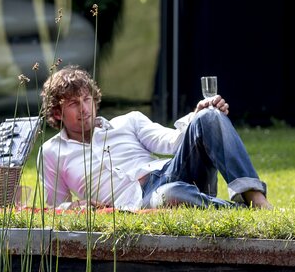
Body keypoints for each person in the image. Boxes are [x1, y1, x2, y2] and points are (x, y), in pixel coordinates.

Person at [39, 66, 272, 210]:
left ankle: (257, 200)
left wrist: (197, 115)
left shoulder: (128, 121)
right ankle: (240, 212)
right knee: (171, 194)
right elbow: (54, 207)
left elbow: (171, 142)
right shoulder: (52, 152)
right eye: (73, 104)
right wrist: (73, 206)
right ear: (57, 113)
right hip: (143, 199)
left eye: (86, 99)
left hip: (171, 171)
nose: (84, 109)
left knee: (210, 115)